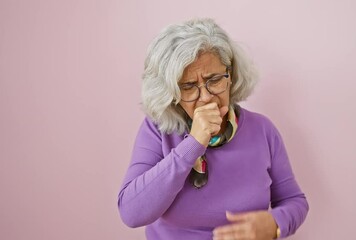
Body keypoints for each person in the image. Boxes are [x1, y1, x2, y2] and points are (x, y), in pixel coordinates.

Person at [117, 18, 309, 240]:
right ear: (172, 94)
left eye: (214, 79)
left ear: (231, 76)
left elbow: (295, 200)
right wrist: (193, 144)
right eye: (189, 87)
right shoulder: (158, 129)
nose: (206, 97)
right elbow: (131, 213)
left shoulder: (263, 130)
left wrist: (275, 225)